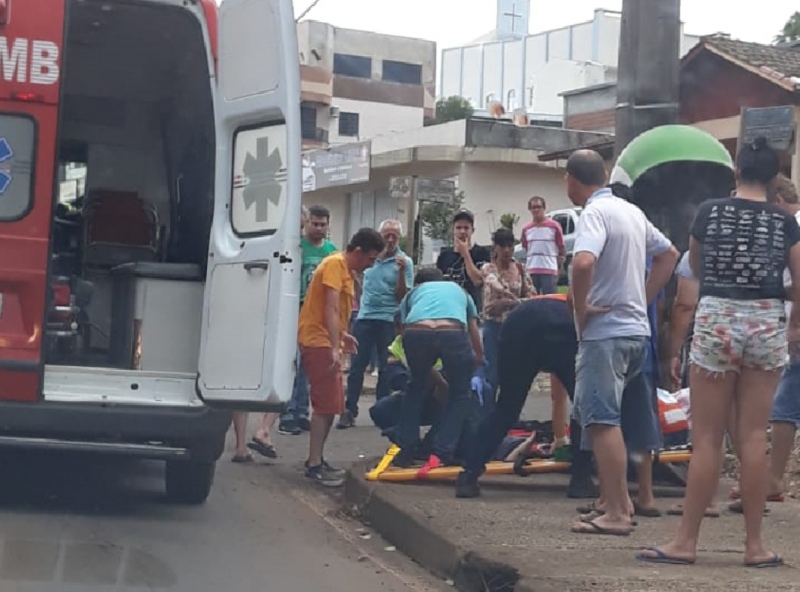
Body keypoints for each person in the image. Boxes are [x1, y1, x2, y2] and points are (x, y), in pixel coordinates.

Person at [638, 137, 800, 567]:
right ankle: (755, 546)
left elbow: (695, 266)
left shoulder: (710, 212)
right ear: (774, 178)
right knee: (753, 435)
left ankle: (686, 541)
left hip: (718, 319)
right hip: (765, 322)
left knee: (708, 437)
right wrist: (792, 322)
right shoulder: (785, 222)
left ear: (737, 172)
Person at [566, 149, 678, 537]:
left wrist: (582, 308)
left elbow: (583, 262)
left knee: (601, 421)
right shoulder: (631, 212)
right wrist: (641, 298)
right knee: (619, 419)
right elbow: (669, 255)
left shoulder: (594, 213)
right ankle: (621, 502)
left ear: (571, 179)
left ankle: (615, 512)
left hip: (605, 334)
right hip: (635, 333)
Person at [456, 294, 597, 500]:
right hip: (564, 325)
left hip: (519, 322)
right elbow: (564, 394)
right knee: (582, 408)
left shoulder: (560, 300)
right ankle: (581, 479)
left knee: (506, 408)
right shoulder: (592, 310)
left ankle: (468, 474)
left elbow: (558, 396)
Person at [298, 228, 384, 486]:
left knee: (332, 404)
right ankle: (314, 463)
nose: (370, 265)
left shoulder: (344, 269)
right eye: (370, 258)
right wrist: (336, 347)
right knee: (325, 405)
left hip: (326, 340)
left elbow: (332, 310)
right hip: (319, 341)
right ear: (357, 251)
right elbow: (330, 307)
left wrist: (342, 336)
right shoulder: (335, 265)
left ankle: (317, 459)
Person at [392, 268, 484, 471]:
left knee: (415, 389)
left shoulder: (413, 293)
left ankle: (406, 450)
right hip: (451, 332)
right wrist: (478, 355)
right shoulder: (461, 292)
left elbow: (403, 326)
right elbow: (472, 327)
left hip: (417, 332)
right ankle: (442, 452)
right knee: (460, 394)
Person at [339, 220, 413, 429]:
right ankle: (349, 410)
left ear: (399, 238)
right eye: (386, 235)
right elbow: (359, 282)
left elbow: (403, 296)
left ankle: (382, 410)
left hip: (389, 319)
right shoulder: (370, 258)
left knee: (385, 367)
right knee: (357, 366)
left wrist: (400, 273)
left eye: (394, 236)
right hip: (365, 317)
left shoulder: (404, 262)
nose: (390, 240)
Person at [279, 205, 338, 436]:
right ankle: (287, 414)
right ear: (307, 223)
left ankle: (301, 412)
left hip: (318, 316)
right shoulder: (296, 247)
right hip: (296, 310)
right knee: (291, 363)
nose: (319, 228)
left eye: (323, 224)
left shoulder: (332, 251)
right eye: (315, 224)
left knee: (307, 366)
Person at [481, 228, 535, 411]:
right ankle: (488, 414)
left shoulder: (520, 268)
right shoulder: (488, 268)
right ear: (495, 248)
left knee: (512, 374)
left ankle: (509, 415)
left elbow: (532, 297)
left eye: (510, 246)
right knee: (491, 374)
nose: (506, 250)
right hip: (493, 326)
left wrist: (512, 302)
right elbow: (492, 283)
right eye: (502, 246)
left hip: (515, 328)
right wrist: (508, 297)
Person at [436, 209, 492, 313]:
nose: (462, 231)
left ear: (472, 230)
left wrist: (465, 254)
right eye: (458, 228)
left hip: (474, 309)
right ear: (453, 230)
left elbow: (478, 281)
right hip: (449, 308)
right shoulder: (444, 255)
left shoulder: (482, 253)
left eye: (466, 228)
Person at [520, 196, 566, 295]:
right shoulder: (526, 229)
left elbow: (561, 247)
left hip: (549, 269)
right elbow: (526, 247)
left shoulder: (554, 226)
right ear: (530, 209)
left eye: (538, 207)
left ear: (544, 208)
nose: (536, 210)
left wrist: (559, 265)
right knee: (532, 298)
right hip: (532, 269)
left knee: (550, 299)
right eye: (533, 207)